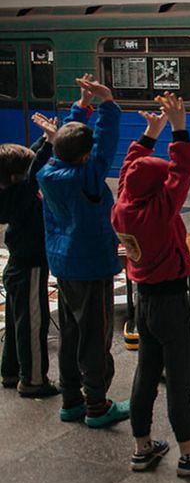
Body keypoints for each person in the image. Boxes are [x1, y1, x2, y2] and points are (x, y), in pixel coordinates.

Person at [111, 92, 190, 476]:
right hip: (170, 304)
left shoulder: (124, 204)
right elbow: (182, 173)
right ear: (157, 190)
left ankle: (142, 447)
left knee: (146, 373)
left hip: (143, 303)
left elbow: (132, 166)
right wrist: (179, 129)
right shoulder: (160, 212)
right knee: (179, 380)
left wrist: (150, 133)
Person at [36, 74, 129, 427]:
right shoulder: (85, 177)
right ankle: (98, 406)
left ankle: (72, 401)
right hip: (92, 267)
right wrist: (107, 103)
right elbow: (105, 144)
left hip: (64, 264)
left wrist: (82, 106)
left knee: (72, 334)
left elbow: (73, 143)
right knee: (95, 337)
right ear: (86, 156)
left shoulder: (48, 171)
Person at [0, 113, 60, 398]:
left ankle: (11, 371)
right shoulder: (21, 193)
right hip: (31, 267)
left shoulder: (11, 190)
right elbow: (34, 169)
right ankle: (34, 380)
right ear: (16, 177)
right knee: (34, 325)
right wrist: (48, 143)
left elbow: (30, 162)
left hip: (16, 266)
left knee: (17, 323)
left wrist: (44, 139)